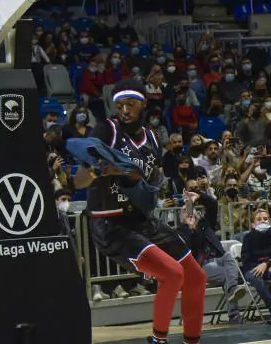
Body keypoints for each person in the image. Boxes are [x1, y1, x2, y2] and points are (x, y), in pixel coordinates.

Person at [72, 80, 205, 344]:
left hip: (142, 219)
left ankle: (193, 340)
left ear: (143, 104)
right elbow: (78, 181)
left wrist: (147, 180)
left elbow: (153, 179)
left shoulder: (153, 137)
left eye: (130, 104)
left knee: (196, 277)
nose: (124, 110)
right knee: (172, 273)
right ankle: (158, 340)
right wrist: (98, 170)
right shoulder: (106, 129)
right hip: (111, 224)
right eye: (119, 105)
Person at [177, 200, 246, 324]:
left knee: (228, 256)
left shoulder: (206, 225)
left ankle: (233, 291)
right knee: (228, 275)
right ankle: (234, 312)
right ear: (180, 217)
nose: (188, 212)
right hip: (199, 266)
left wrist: (198, 196)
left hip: (219, 260)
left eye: (190, 209)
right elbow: (189, 252)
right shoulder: (180, 232)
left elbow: (213, 204)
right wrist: (192, 230)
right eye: (184, 211)